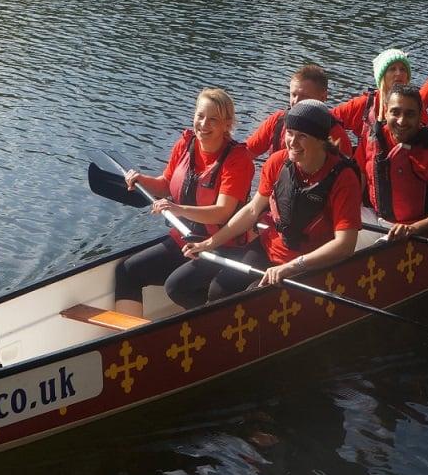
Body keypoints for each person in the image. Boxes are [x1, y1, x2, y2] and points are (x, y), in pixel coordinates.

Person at [173, 101, 362, 306]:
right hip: (270, 247)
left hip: (310, 261)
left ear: (321, 141)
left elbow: (345, 245)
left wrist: (292, 267)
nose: (292, 142)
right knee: (220, 290)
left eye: (302, 136)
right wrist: (207, 244)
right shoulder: (278, 162)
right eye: (290, 133)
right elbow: (252, 210)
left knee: (253, 297)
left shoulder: (344, 177)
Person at [114, 88, 255, 318]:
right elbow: (166, 184)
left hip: (222, 245)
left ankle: (213, 321)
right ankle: (126, 342)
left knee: (177, 287)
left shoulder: (237, 160)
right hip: (185, 237)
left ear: (227, 124)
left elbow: (222, 213)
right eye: (200, 116)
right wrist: (141, 180)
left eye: (213, 119)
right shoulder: (185, 144)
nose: (203, 124)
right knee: (127, 271)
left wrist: (177, 209)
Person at [361, 84, 428, 240]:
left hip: (415, 228)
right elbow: (357, 184)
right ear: (385, 111)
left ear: (420, 115)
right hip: (375, 219)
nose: (402, 121)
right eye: (395, 112)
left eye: (410, 114)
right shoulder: (371, 138)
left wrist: (413, 229)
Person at [332, 48, 419, 166]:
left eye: (403, 69)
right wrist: (342, 152)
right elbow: (328, 119)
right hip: (366, 170)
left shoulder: (415, 106)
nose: (399, 73)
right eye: (392, 69)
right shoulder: (366, 104)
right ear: (382, 76)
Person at [244, 64, 353, 158]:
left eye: (304, 96)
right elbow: (247, 153)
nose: (296, 101)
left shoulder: (337, 136)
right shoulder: (278, 121)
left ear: (323, 97)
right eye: (293, 95)